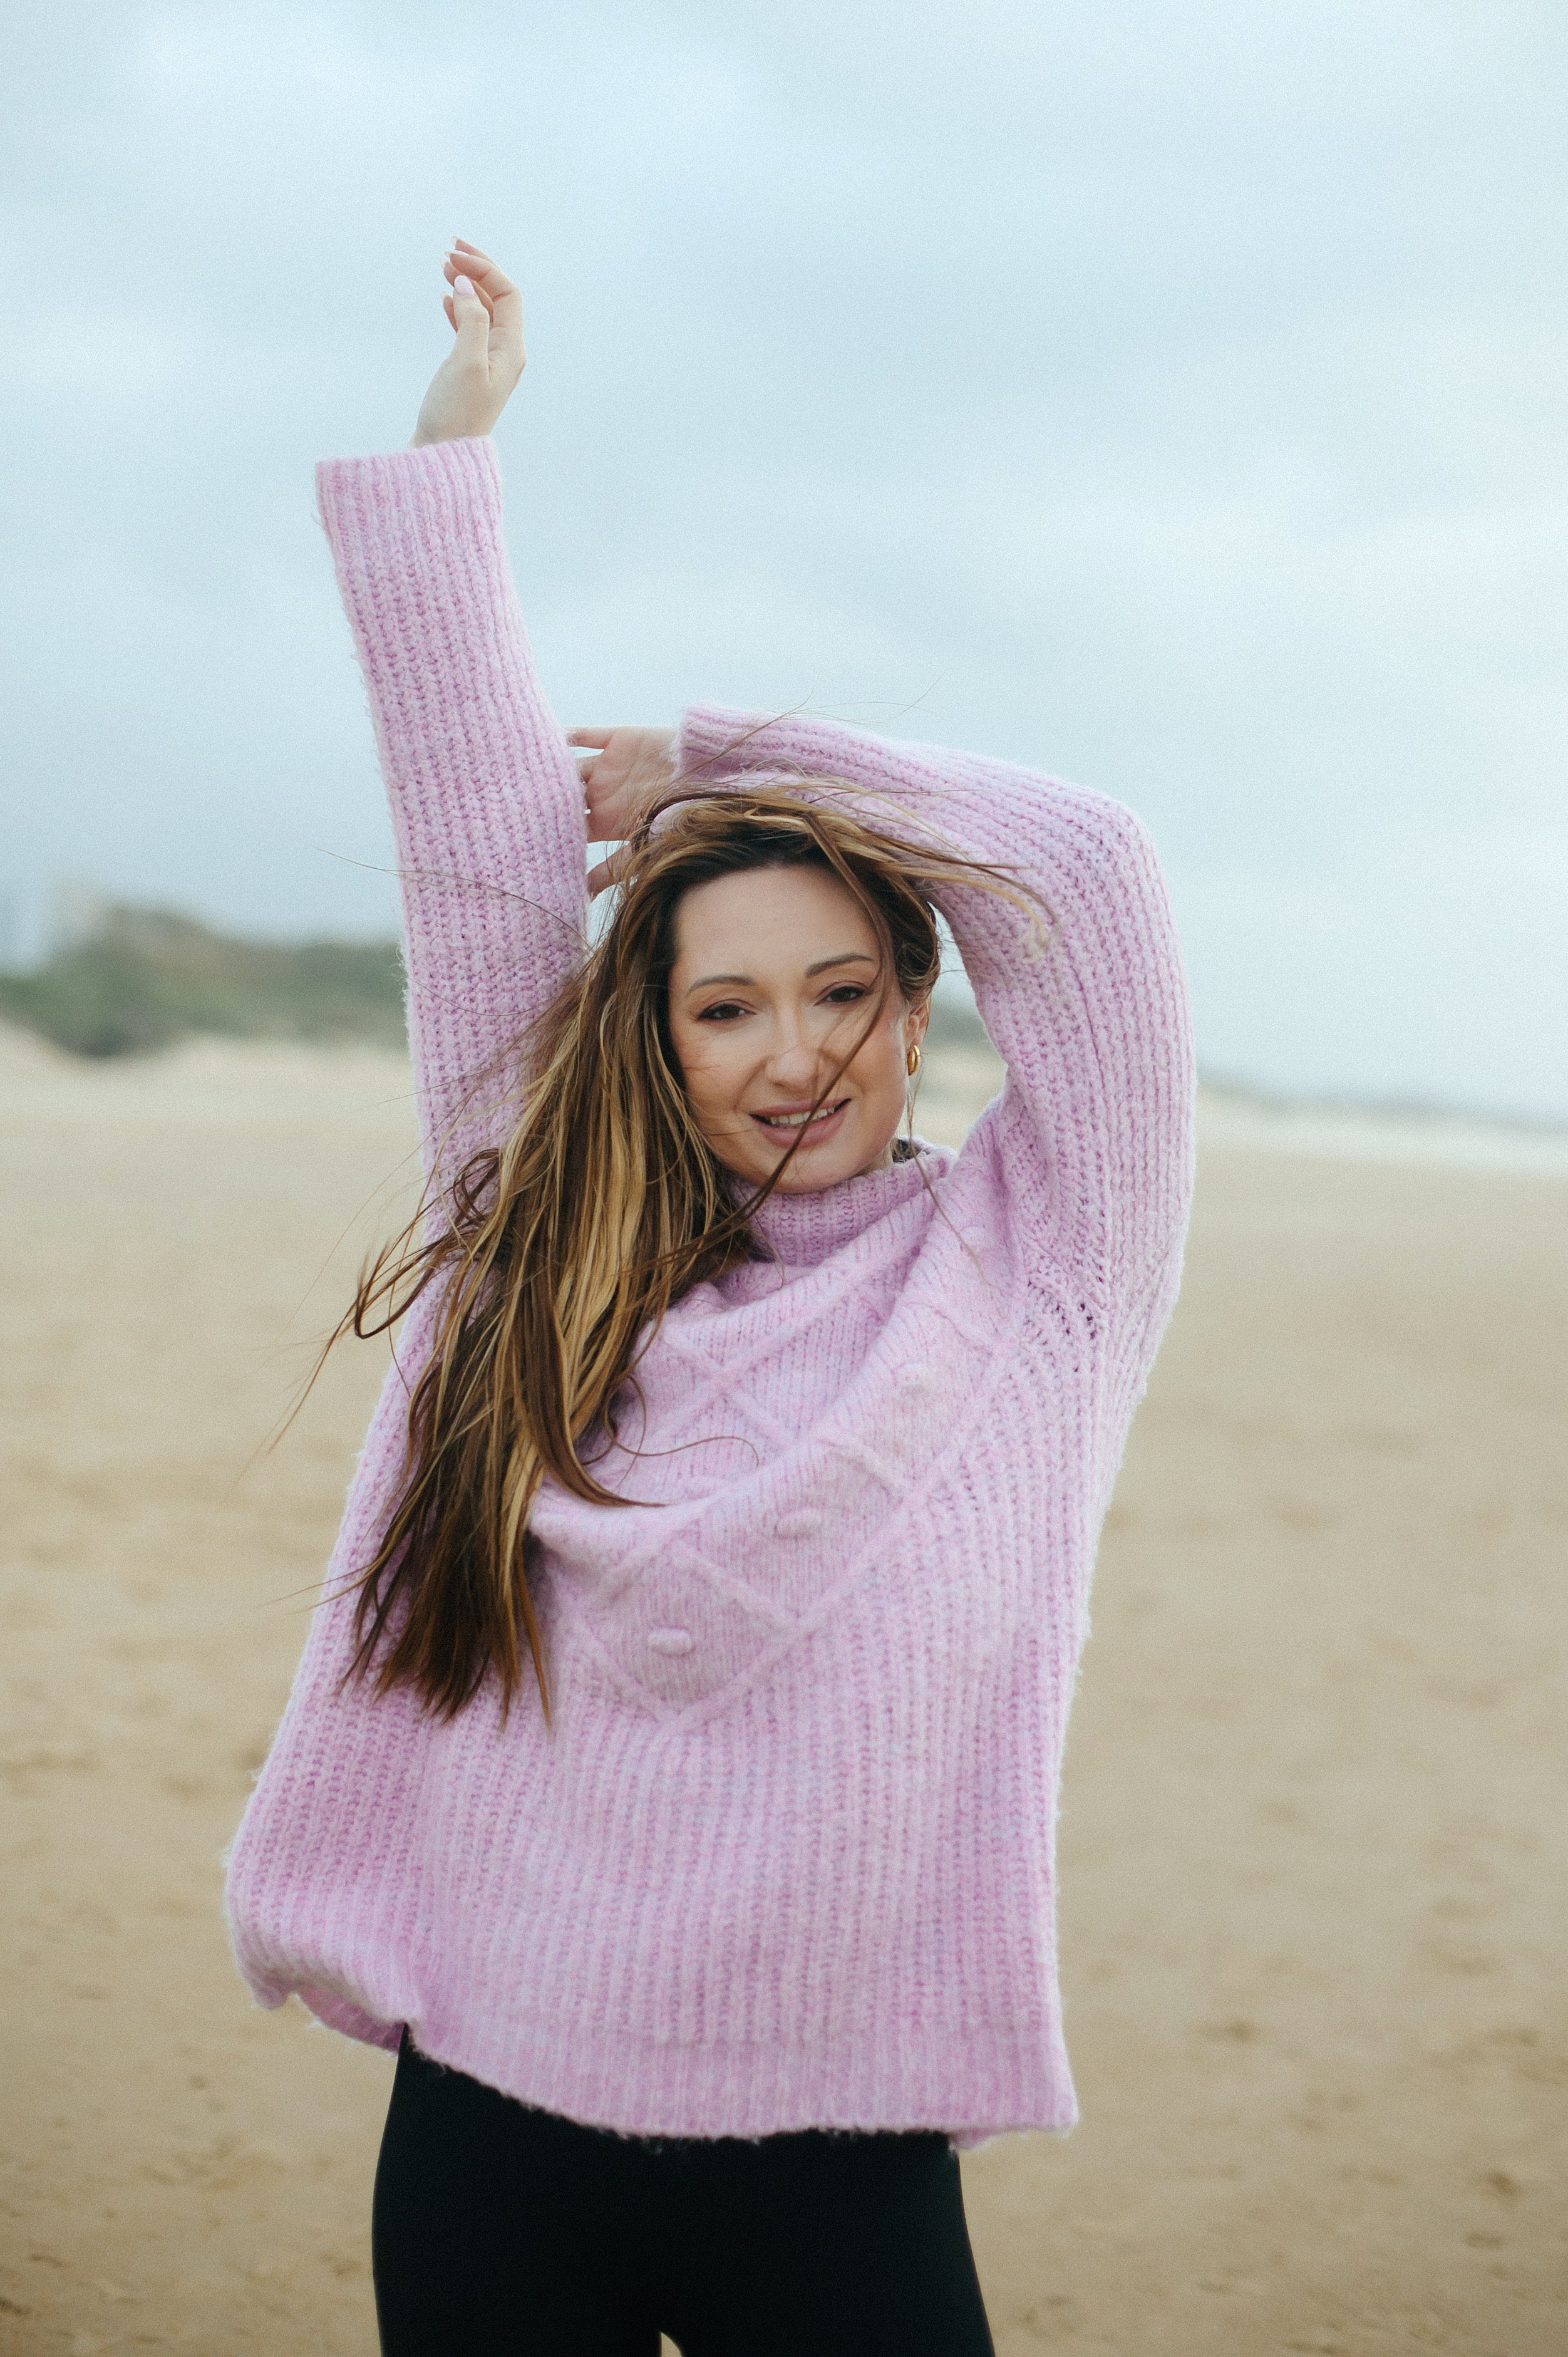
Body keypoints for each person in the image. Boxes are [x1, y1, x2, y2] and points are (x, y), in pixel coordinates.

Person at [224, 241, 1195, 2356]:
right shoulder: (544, 1249)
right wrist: (444, 470)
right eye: (729, 1001)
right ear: (652, 1036)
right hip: (490, 2125)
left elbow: (1095, 871)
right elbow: (476, 854)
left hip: (835, 2163)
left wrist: (726, 754)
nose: (795, 1050)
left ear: (923, 1001)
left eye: (847, 990)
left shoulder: (1050, 1265)